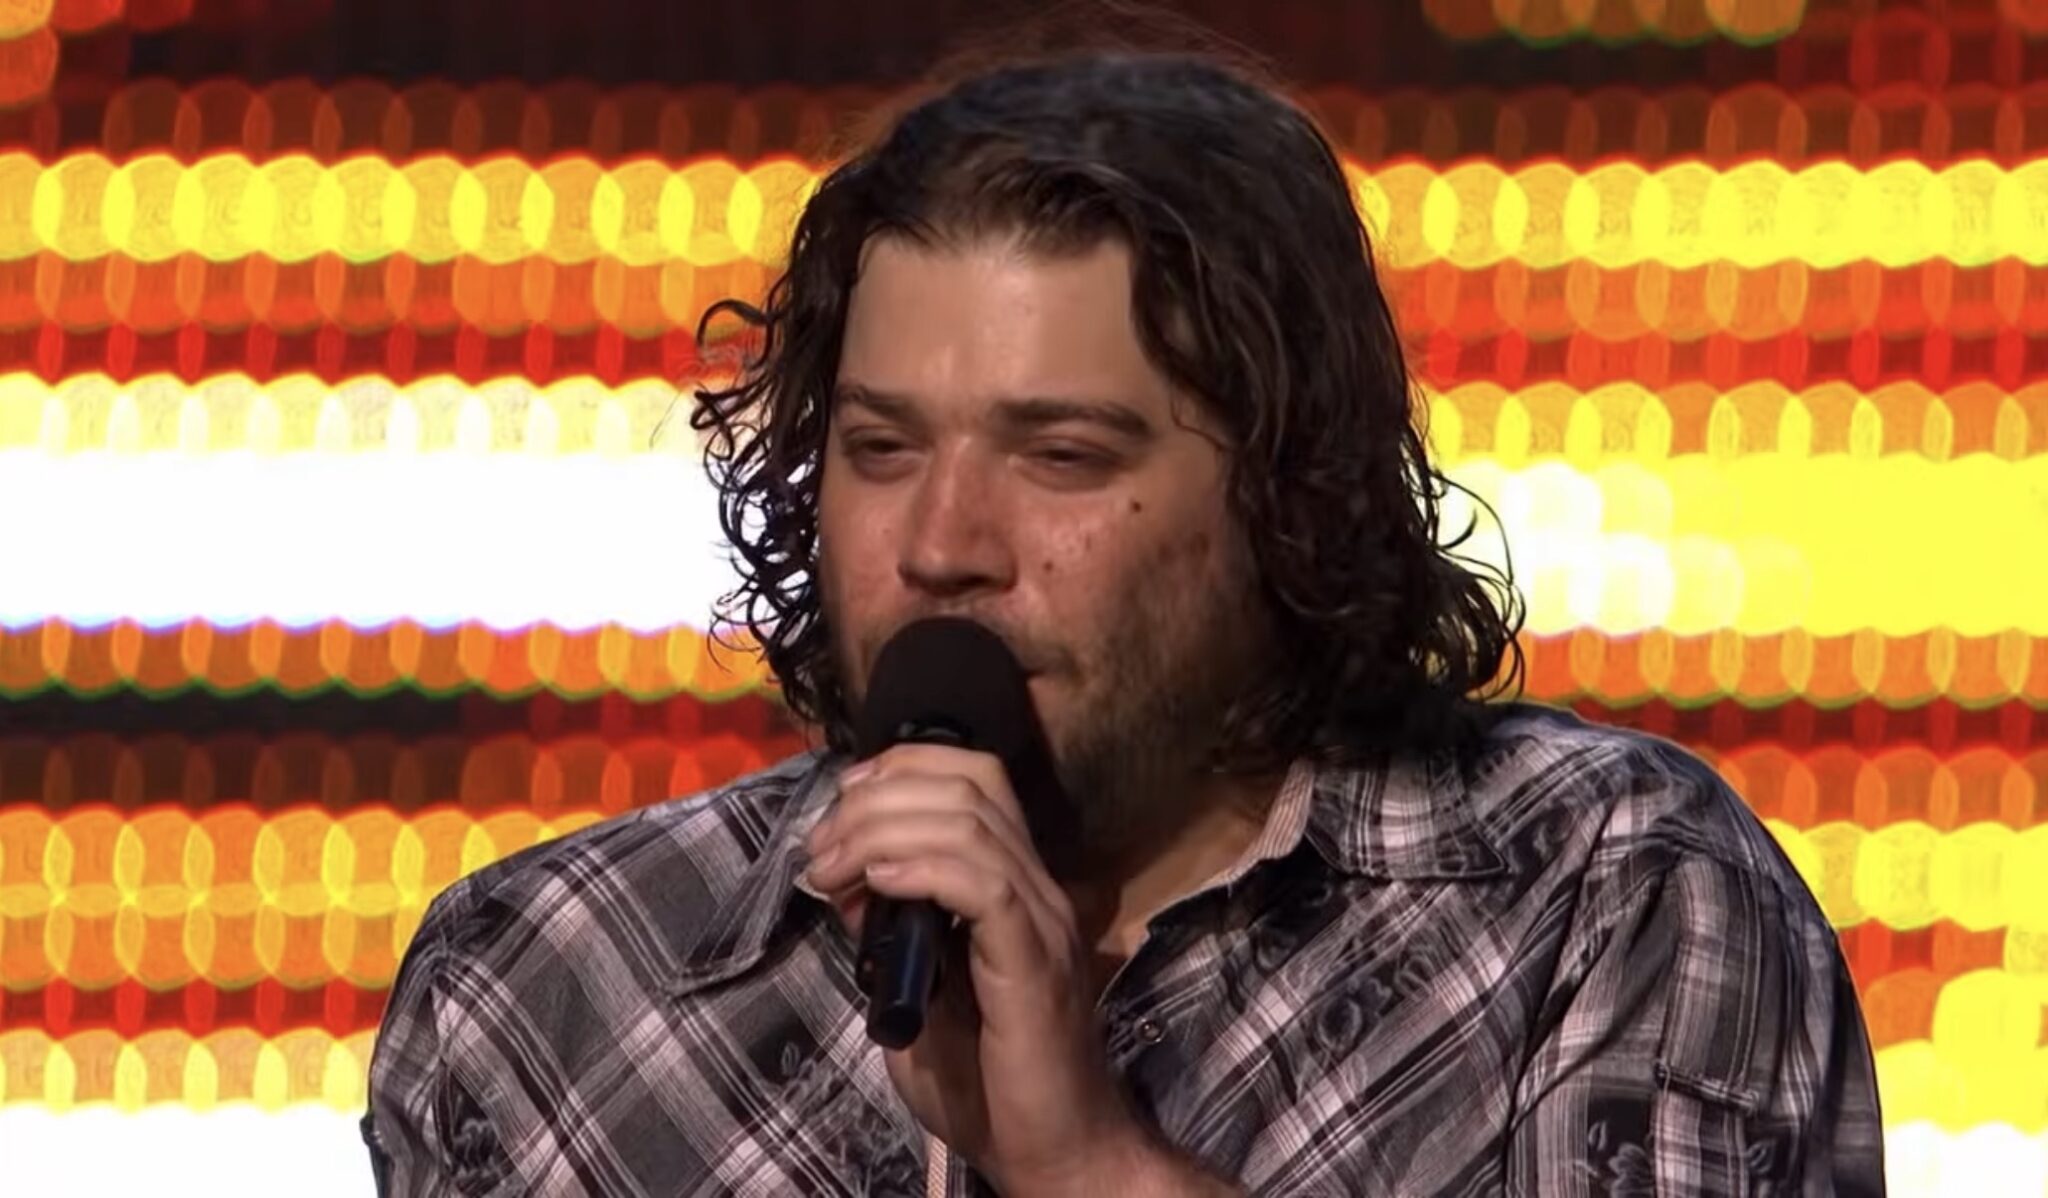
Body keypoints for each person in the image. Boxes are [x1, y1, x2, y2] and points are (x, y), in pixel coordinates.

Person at [363, 45, 1885, 1197]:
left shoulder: (1605, 893)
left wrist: (1088, 1164)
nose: (944, 547)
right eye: (881, 449)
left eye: (1063, 458)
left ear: (1284, 492)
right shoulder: (545, 983)